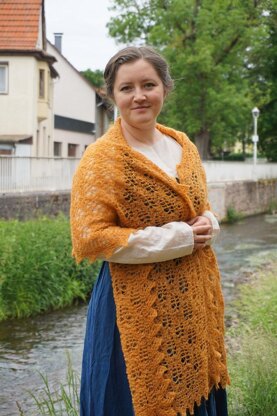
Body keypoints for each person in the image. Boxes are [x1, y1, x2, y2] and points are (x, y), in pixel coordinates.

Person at [70, 46, 230, 416]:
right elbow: (92, 236)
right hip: (133, 306)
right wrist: (182, 238)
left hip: (193, 299)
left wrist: (211, 223)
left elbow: (199, 207)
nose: (139, 96)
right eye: (127, 88)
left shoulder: (182, 145)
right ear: (112, 95)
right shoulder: (101, 158)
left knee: (194, 387)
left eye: (148, 84)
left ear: (165, 89)